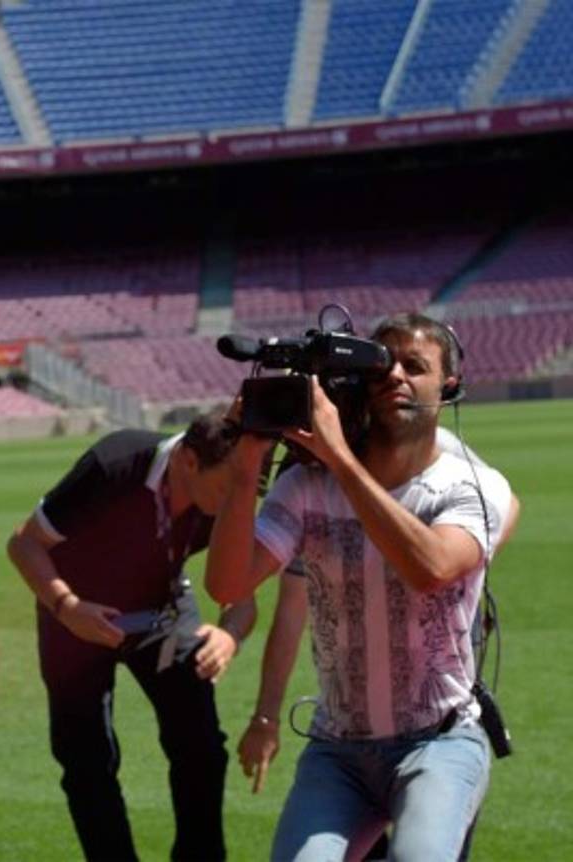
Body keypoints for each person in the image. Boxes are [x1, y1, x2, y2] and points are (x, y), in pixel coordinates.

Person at [206, 313, 513, 861]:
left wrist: (340, 458)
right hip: (338, 749)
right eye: (381, 364)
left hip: (438, 741)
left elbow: (431, 567)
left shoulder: (469, 484)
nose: (395, 375)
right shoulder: (305, 487)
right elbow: (228, 583)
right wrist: (246, 462)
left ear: (449, 385)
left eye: (415, 366)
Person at [7, 408, 257, 862]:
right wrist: (68, 608)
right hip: (77, 614)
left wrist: (230, 636)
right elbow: (23, 543)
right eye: (226, 486)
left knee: (201, 747)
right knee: (87, 761)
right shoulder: (116, 463)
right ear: (188, 462)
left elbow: (242, 592)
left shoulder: (232, 496)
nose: (236, 501)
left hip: (160, 611)